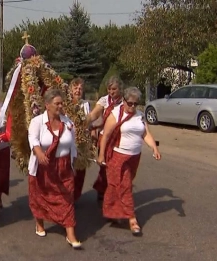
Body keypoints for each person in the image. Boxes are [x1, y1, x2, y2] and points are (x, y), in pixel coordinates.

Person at [97, 87, 161, 236]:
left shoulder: (140, 116)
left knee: (117, 186)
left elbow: (146, 134)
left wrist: (154, 149)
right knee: (125, 186)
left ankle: (113, 212)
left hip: (134, 157)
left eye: (135, 104)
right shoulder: (116, 114)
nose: (132, 106)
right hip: (118, 156)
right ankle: (132, 219)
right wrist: (101, 155)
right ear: (124, 101)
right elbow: (105, 136)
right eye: (130, 103)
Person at [27, 88, 82, 249]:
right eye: (56, 103)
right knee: (40, 197)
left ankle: (70, 234)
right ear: (47, 105)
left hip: (63, 167)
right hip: (43, 167)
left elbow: (72, 145)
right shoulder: (37, 122)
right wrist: (39, 153)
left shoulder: (68, 123)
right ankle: (39, 223)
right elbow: (33, 139)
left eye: (61, 103)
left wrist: (74, 164)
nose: (60, 106)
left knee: (67, 198)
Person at [87, 76, 123, 202]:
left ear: (120, 89)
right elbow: (94, 114)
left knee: (117, 167)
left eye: (114, 89)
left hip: (120, 138)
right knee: (105, 166)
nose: (111, 92)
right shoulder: (104, 100)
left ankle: (113, 191)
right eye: (109, 89)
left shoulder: (125, 103)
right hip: (105, 138)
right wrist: (83, 122)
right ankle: (102, 189)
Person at [68, 78, 91, 201]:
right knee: (67, 172)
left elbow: (89, 122)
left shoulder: (85, 105)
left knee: (79, 173)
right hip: (67, 142)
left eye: (80, 88)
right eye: (75, 88)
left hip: (81, 143)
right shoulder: (65, 103)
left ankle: (74, 197)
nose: (78, 90)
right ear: (71, 89)